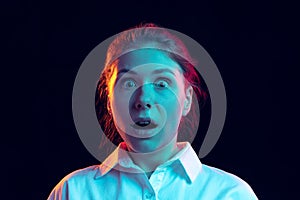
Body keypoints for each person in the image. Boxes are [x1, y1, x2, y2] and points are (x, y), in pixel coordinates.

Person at [48, 23, 258, 200]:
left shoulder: (230, 194)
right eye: (129, 83)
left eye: (161, 83)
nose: (143, 100)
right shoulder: (72, 192)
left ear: (186, 100)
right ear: (109, 100)